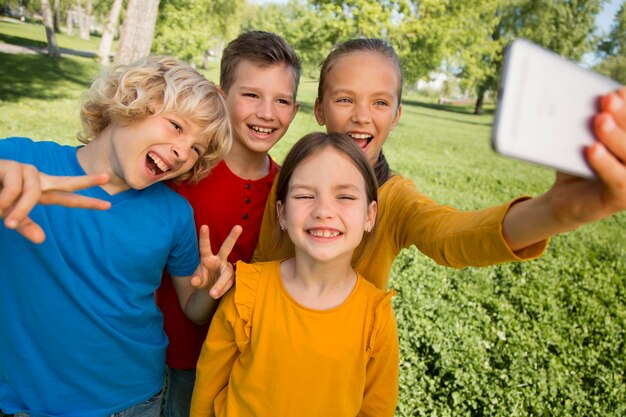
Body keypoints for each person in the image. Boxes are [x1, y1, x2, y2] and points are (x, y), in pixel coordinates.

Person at [252, 38, 626, 290]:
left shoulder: (395, 199)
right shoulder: (288, 181)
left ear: (396, 115)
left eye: (380, 103)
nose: (362, 117)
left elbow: (452, 235)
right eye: (345, 99)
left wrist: (557, 211)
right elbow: (262, 259)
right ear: (319, 109)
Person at [0, 56, 239, 417]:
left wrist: (208, 288)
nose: (182, 152)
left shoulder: (174, 213)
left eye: (196, 150)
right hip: (25, 401)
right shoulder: (20, 162)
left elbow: (193, 309)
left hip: (132, 400)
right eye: (176, 126)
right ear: (128, 102)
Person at [189, 132, 399, 417]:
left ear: (370, 216)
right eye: (304, 195)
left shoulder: (376, 316)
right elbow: (207, 388)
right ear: (282, 212)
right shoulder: (248, 292)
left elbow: (376, 410)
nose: (323, 211)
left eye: (345, 196)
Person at [155, 31, 301, 417]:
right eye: (251, 94)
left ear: (296, 110)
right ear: (222, 96)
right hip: (174, 353)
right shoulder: (184, 171)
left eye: (281, 100)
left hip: (245, 361)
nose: (267, 112)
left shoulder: (292, 191)